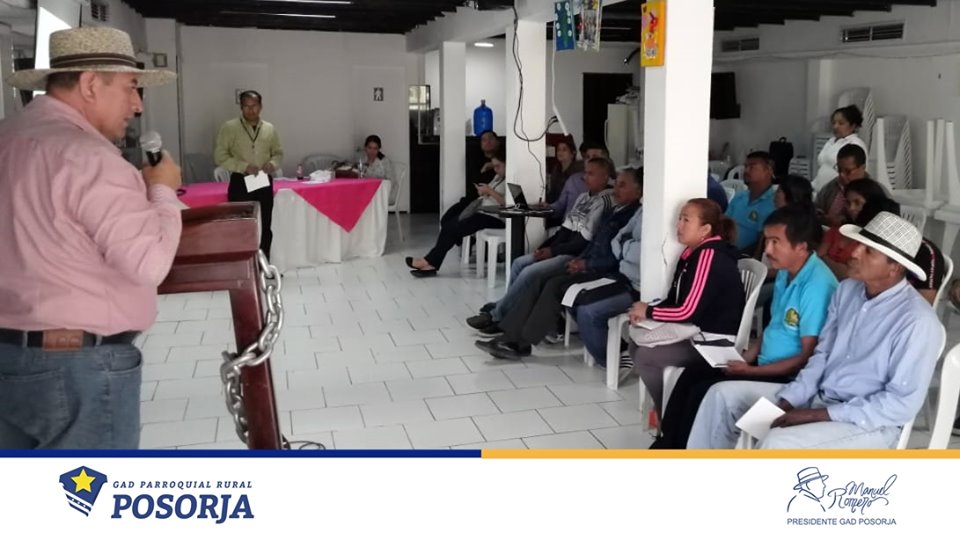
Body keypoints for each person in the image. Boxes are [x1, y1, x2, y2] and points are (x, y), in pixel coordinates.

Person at [0, 27, 181, 449]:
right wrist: (162, 191)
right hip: (78, 372)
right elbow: (149, 264)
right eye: (131, 87)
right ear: (90, 84)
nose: (137, 105)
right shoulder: (90, 158)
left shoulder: (6, 139)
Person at [688, 212, 945, 449]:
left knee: (778, 441)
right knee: (721, 396)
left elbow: (901, 404)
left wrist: (817, 415)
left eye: (868, 251)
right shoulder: (847, 291)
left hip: (868, 424)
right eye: (858, 244)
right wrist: (789, 400)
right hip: (819, 397)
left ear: (895, 267)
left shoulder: (916, 321)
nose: (854, 252)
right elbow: (821, 355)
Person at [651, 207, 837, 449]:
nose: (767, 250)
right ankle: (665, 445)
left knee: (704, 390)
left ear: (801, 246)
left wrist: (751, 371)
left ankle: (681, 451)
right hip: (764, 363)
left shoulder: (816, 287)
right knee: (692, 374)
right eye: (767, 240)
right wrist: (745, 358)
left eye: (775, 242)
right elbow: (774, 327)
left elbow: (805, 359)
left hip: (790, 378)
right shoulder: (786, 273)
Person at [475, 169, 643, 359]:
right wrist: (580, 259)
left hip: (605, 272)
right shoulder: (615, 211)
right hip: (588, 262)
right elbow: (595, 243)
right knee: (540, 280)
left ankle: (519, 342)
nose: (616, 190)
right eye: (617, 184)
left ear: (639, 191)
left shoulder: (632, 216)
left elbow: (615, 257)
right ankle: (510, 335)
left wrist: (586, 264)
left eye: (622, 185)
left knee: (553, 285)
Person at [466, 157, 615, 333]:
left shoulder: (605, 201)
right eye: (585, 172)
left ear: (605, 177)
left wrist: (553, 251)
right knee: (519, 263)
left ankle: (498, 316)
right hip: (561, 249)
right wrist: (547, 248)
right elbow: (565, 230)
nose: (585, 177)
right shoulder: (583, 197)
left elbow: (582, 242)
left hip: (576, 255)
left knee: (529, 272)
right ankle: (508, 308)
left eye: (591, 174)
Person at [627, 199, 746, 412]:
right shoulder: (691, 253)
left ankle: (666, 413)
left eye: (686, 220)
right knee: (634, 344)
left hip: (711, 341)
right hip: (694, 330)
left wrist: (649, 311)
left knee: (646, 356)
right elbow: (675, 299)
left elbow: (687, 311)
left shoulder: (709, 256)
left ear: (705, 229)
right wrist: (646, 311)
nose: (678, 225)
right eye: (679, 218)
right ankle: (666, 407)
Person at [407, 153, 507, 276]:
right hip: (482, 211)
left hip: (494, 217)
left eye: (498, 166)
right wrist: (484, 192)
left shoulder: (510, 179)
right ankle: (430, 263)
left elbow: (507, 204)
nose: (495, 169)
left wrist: (489, 191)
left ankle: (429, 262)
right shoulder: (498, 177)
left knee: (452, 228)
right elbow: (491, 194)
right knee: (449, 225)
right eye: (494, 166)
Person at [214, 89, 284, 259]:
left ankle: (264, 263)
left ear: (261, 106)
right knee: (240, 226)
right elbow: (220, 156)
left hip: (263, 180)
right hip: (241, 181)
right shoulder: (229, 128)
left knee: (265, 225)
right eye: (246, 106)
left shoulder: (269, 129)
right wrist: (243, 166)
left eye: (254, 106)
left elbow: (278, 153)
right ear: (241, 107)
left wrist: (272, 164)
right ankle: (242, 264)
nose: (251, 110)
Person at [818, 179, 893, 280]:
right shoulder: (838, 230)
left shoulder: (877, 238)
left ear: (871, 203)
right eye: (848, 203)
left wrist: (826, 260)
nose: (851, 208)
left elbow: (851, 275)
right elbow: (818, 258)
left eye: (857, 203)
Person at [725, 151, 777, 254]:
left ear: (769, 170)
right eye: (746, 166)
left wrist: (737, 255)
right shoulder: (739, 196)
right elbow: (725, 224)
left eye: (752, 167)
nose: (746, 171)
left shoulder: (774, 203)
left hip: (747, 257)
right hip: (726, 249)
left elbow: (762, 243)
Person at [811, 105, 869, 192]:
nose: (835, 126)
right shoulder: (831, 141)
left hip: (840, 192)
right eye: (833, 123)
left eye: (841, 123)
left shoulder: (855, 144)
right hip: (820, 190)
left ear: (853, 126)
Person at [814, 144, 870, 227]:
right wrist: (825, 218)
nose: (842, 175)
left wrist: (845, 221)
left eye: (848, 171)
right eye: (839, 170)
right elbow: (816, 209)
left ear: (862, 167)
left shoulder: (875, 191)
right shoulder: (832, 186)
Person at [544, 137, 584, 228]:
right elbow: (553, 192)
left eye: (564, 150)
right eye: (559, 150)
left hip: (567, 212)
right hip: (555, 208)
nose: (560, 152)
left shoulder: (576, 173)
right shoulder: (556, 169)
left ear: (573, 153)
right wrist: (546, 204)